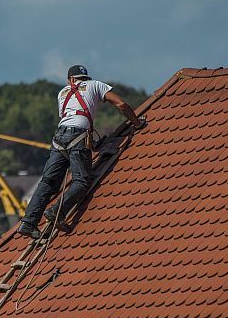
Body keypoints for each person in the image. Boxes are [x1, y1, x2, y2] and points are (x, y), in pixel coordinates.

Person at [16, 65, 146, 239]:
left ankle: (28, 223)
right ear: (86, 78)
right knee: (82, 181)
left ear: (70, 80)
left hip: (59, 139)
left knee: (47, 182)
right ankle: (57, 211)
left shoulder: (62, 93)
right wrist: (137, 123)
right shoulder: (95, 85)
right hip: (78, 136)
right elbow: (121, 104)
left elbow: (70, 116)